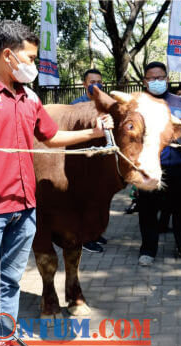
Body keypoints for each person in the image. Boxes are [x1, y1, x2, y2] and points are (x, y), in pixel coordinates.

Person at [0, 20, 114, 346]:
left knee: (8, 283)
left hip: (24, 209)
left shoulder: (29, 97)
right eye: (31, 57)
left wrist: (92, 132)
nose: (34, 65)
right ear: (9, 55)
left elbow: (51, 137)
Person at [137, 61, 181, 266]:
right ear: (144, 81)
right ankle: (148, 250)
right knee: (148, 210)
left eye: (160, 77)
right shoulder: (138, 103)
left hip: (179, 165)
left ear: (167, 78)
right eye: (151, 78)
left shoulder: (180, 102)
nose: (156, 81)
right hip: (149, 166)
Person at [71, 68, 107, 253]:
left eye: (99, 81)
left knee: (98, 201)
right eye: (92, 82)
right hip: (83, 161)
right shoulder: (76, 105)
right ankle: (85, 238)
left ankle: (95, 232)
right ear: (84, 84)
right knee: (84, 201)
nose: (96, 85)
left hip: (101, 161)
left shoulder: (106, 104)